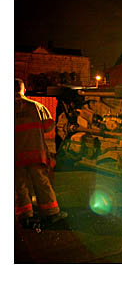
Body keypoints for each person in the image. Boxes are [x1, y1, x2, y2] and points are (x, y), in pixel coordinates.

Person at [14, 78, 67, 229]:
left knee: (19, 185)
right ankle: (51, 213)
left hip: (15, 156)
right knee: (42, 183)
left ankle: (25, 216)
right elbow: (48, 127)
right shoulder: (37, 107)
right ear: (24, 90)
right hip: (36, 153)